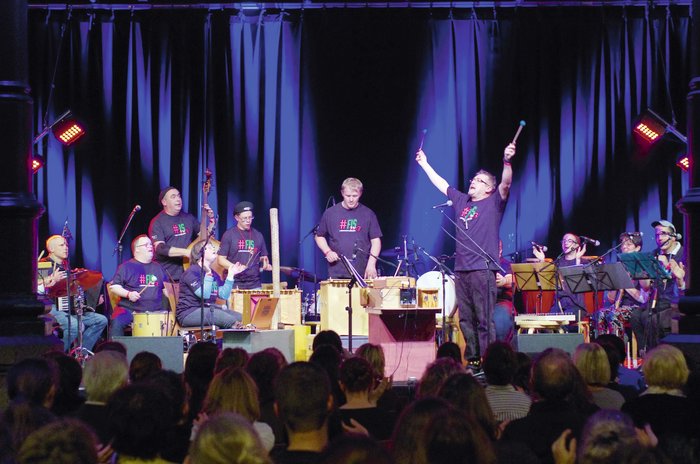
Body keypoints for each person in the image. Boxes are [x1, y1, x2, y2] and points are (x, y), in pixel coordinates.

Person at [416, 142, 516, 360]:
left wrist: (507, 161)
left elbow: (506, 183)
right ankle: (473, 361)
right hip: (461, 270)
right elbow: (442, 184)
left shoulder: (493, 202)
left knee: (484, 319)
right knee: (465, 320)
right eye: (473, 179)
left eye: (480, 181)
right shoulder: (462, 201)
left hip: (482, 269)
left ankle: (488, 361)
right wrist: (424, 164)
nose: (473, 182)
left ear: (489, 188)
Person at [37, 235, 108, 352]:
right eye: (61, 245)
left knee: (101, 320)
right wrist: (50, 279)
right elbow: (36, 288)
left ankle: (80, 355)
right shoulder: (44, 264)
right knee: (75, 325)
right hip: (50, 307)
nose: (66, 247)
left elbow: (70, 290)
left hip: (68, 310)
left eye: (66, 245)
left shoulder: (66, 266)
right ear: (51, 249)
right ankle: (58, 355)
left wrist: (89, 300)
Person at [314, 178, 382, 279]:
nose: (351, 199)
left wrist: (371, 264)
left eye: (355, 196)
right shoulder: (330, 213)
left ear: (360, 194)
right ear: (342, 193)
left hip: (362, 272)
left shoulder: (368, 214)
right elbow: (319, 236)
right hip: (337, 272)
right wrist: (327, 251)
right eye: (348, 196)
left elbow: (376, 241)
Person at [109, 234, 170, 337]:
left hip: (156, 310)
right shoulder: (126, 267)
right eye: (146, 245)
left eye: (151, 244)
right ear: (136, 249)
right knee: (117, 321)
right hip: (130, 309)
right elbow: (114, 287)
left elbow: (166, 288)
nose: (150, 246)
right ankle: (115, 352)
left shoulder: (158, 267)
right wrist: (129, 294)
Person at [149, 186, 213, 283]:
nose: (178, 199)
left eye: (179, 196)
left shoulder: (189, 218)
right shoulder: (157, 222)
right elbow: (160, 248)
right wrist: (187, 252)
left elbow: (205, 238)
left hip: (189, 273)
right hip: (168, 275)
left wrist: (211, 220)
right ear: (164, 202)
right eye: (173, 197)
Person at [178, 240, 246, 328]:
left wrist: (231, 275)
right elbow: (204, 295)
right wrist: (208, 274)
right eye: (209, 247)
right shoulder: (192, 272)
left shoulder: (214, 274)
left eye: (213, 247)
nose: (213, 248)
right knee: (228, 319)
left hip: (208, 309)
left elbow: (223, 295)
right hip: (189, 312)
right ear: (200, 253)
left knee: (240, 317)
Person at [603, 232, 649, 346]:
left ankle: (618, 349)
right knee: (599, 314)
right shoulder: (619, 266)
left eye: (628, 244)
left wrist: (625, 284)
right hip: (619, 306)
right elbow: (611, 299)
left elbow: (644, 298)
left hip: (636, 307)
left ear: (637, 248)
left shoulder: (642, 266)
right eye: (623, 244)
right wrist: (614, 284)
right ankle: (603, 349)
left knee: (613, 315)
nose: (624, 247)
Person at [217, 201, 272, 289]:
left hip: (254, 284)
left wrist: (265, 262)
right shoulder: (229, 235)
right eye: (245, 218)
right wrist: (234, 267)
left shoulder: (258, 235)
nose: (248, 221)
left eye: (250, 217)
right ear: (237, 217)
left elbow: (262, 257)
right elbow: (220, 259)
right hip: (234, 283)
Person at [650, 219, 686, 343]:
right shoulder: (655, 254)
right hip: (659, 300)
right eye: (657, 235)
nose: (659, 238)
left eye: (663, 233)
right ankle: (645, 353)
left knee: (654, 319)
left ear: (674, 237)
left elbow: (684, 284)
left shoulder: (685, 254)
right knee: (637, 317)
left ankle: (664, 354)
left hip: (675, 301)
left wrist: (667, 267)